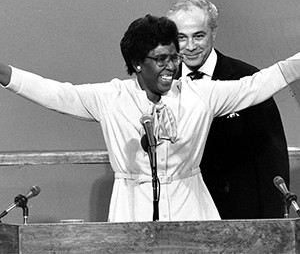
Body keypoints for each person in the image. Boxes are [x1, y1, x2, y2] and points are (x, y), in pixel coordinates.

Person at [0, 14, 299, 223]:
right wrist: (5, 74)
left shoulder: (200, 95)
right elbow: (55, 93)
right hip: (132, 209)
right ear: (136, 63)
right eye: (160, 60)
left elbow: (256, 85)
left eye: (174, 57)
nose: (171, 67)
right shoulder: (111, 97)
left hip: (191, 209)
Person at [166, 0, 290, 219]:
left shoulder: (248, 79)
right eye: (181, 38)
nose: (190, 46)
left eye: (199, 36)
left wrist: (272, 221)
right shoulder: (162, 84)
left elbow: (272, 158)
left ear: (213, 33)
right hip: (183, 211)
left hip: (239, 213)